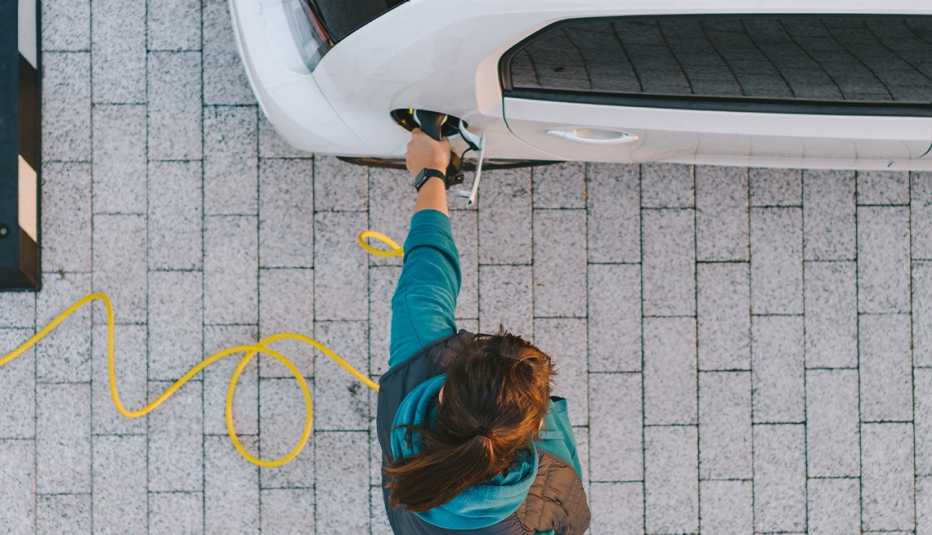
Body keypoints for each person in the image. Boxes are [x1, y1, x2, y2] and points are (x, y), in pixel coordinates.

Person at [375, 129, 591, 534]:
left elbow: (427, 281)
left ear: (443, 392)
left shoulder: (419, 369)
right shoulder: (550, 486)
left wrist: (431, 174)